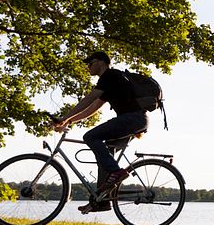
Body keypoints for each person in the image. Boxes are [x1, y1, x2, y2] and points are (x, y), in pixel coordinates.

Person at [53, 51, 148, 213]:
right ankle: (102, 201)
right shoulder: (110, 82)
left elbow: (88, 99)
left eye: (90, 63)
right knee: (105, 155)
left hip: (132, 119)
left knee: (90, 136)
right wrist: (69, 120)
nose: (88, 66)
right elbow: (93, 108)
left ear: (102, 63)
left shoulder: (109, 76)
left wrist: (65, 117)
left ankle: (117, 172)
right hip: (135, 120)